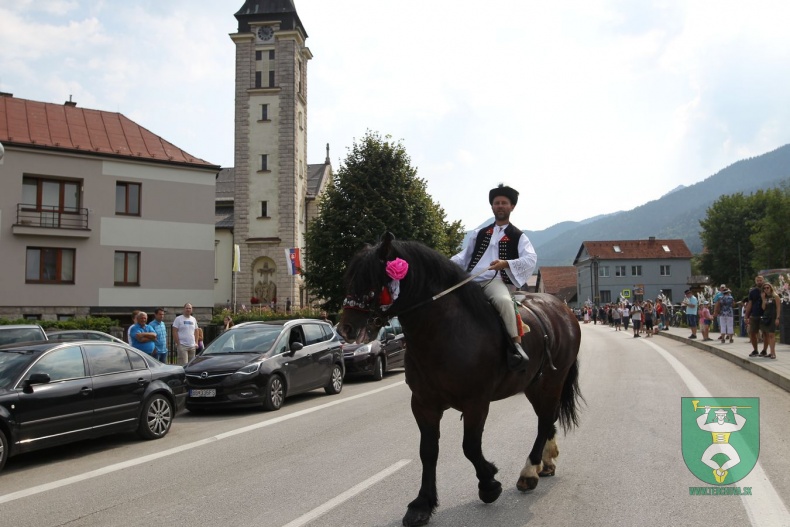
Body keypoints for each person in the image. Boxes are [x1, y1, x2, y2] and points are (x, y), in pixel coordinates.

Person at [451, 184, 537, 371]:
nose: (500, 206)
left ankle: (516, 346)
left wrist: (505, 263)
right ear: (492, 206)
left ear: (512, 207)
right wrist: (444, 264)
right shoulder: (479, 233)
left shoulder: (519, 236)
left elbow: (531, 258)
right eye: (497, 203)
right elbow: (464, 257)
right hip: (470, 280)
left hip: (494, 281)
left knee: (504, 301)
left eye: (504, 203)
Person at [744, 275, 766, 357]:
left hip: (765, 314)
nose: (759, 282)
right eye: (758, 280)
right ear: (755, 282)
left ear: (763, 280)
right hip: (755, 314)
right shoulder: (752, 292)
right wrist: (746, 315)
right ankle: (755, 350)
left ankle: (764, 350)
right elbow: (750, 303)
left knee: (765, 333)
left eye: (761, 280)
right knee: (752, 332)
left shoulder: (767, 289)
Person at [759, 282, 780, 359]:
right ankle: (770, 352)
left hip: (773, 316)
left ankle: (773, 352)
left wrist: (777, 318)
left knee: (771, 334)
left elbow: (778, 308)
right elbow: (763, 308)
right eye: (764, 288)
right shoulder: (765, 297)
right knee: (766, 334)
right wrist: (763, 299)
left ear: (771, 288)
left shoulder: (775, 296)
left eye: (767, 287)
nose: (766, 289)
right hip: (766, 317)